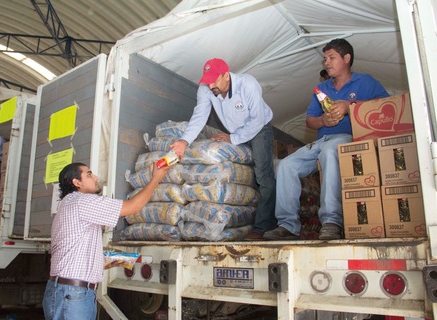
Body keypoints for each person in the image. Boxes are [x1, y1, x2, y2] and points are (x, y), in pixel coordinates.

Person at [263, 39, 389, 241]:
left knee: (330, 151)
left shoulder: (366, 82)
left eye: (332, 58)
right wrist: (323, 120)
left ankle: (331, 221)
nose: (327, 63)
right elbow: (310, 121)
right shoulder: (322, 89)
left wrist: (350, 106)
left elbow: (385, 105)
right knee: (286, 165)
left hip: (349, 138)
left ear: (346, 59)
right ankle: (287, 224)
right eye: (325, 59)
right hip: (321, 140)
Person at [42, 162, 169, 319]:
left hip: (66, 292)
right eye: (89, 174)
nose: (95, 177)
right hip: (73, 295)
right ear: (77, 183)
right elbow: (132, 207)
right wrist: (156, 178)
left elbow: (84, 256)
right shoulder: (82, 202)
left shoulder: (67, 205)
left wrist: (128, 259)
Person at [170, 58, 276, 241]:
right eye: (207, 80)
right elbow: (200, 115)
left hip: (259, 129)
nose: (210, 85)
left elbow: (257, 119)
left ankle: (263, 227)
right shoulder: (205, 89)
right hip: (236, 131)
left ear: (226, 75)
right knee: (245, 176)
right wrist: (184, 141)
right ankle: (248, 221)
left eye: (214, 80)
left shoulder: (247, 84)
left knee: (263, 175)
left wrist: (232, 138)